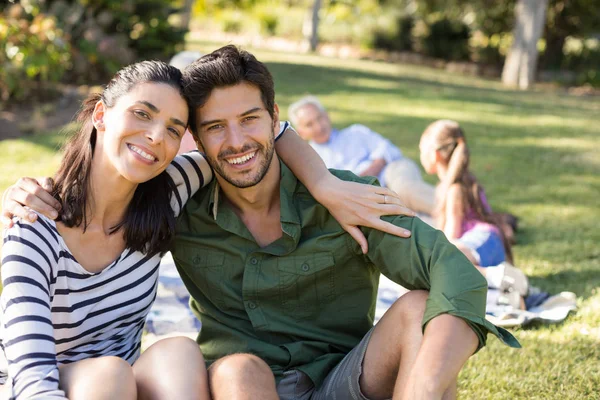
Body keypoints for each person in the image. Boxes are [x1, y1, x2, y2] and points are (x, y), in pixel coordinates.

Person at [0, 57, 415, 399]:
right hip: (36, 386)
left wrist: (324, 184)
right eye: (142, 114)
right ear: (101, 116)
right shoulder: (34, 226)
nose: (154, 137)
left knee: (179, 351)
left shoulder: (168, 191)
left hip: (121, 384)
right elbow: (30, 373)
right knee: (108, 375)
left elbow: (267, 134)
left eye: (174, 129)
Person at [418, 119, 530, 304]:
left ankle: (496, 276)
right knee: (453, 281)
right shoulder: (467, 180)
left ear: (435, 155)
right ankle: (506, 296)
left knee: (440, 264)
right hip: (491, 246)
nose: (420, 154)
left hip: (478, 243)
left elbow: (449, 240)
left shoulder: (454, 189)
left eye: (422, 149)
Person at [288, 95, 435, 216]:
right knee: (411, 218)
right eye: (309, 124)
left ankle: (454, 210)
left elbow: (387, 150)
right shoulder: (309, 160)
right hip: (370, 199)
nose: (319, 126)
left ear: (327, 116)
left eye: (320, 118)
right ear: (300, 132)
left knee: (404, 190)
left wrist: (369, 172)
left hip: (391, 171)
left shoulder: (355, 132)